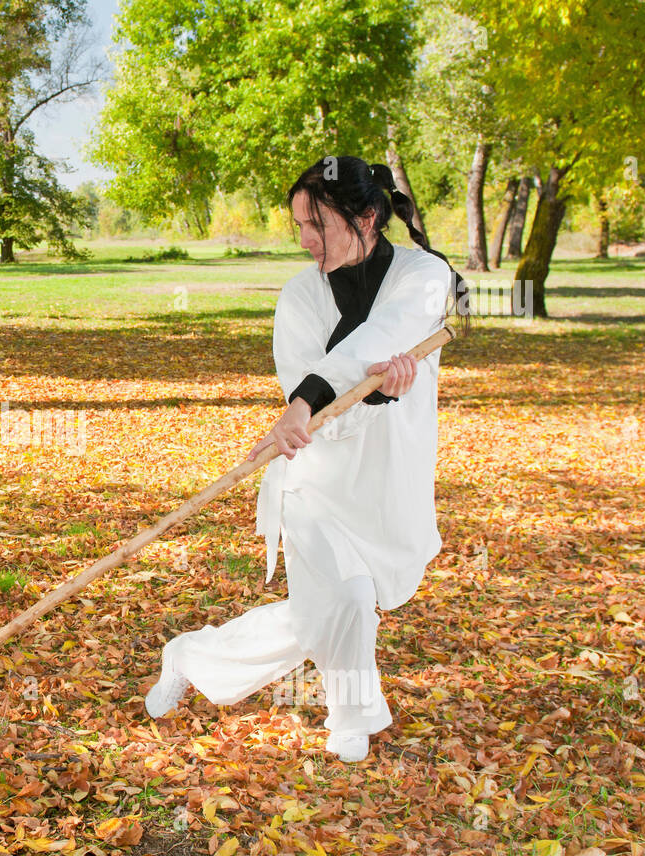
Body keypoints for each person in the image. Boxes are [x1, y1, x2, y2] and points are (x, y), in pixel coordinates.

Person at [144, 156, 471, 763]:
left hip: (388, 481)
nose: (305, 241)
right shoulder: (298, 296)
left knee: (314, 618)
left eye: (317, 225)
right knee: (345, 600)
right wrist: (309, 404)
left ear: (368, 216)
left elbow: (383, 337)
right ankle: (354, 716)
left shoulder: (426, 276)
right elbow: (315, 398)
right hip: (316, 480)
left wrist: (373, 388)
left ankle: (189, 656)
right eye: (298, 226)